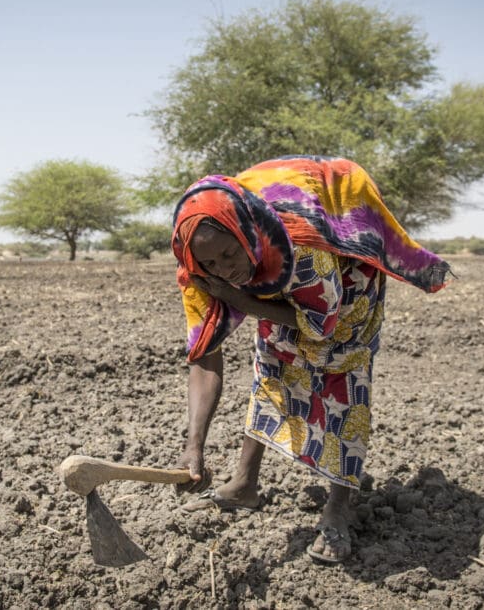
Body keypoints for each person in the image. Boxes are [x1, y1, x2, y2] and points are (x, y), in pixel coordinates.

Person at [170, 155, 450, 563]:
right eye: (212, 263)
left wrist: (239, 299)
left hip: (344, 285)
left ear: (246, 232)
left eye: (229, 255)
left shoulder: (302, 248)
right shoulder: (199, 271)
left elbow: (322, 322)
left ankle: (339, 508)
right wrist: (194, 445)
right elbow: (205, 356)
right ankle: (244, 484)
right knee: (271, 365)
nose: (224, 269)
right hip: (271, 282)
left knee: (341, 379)